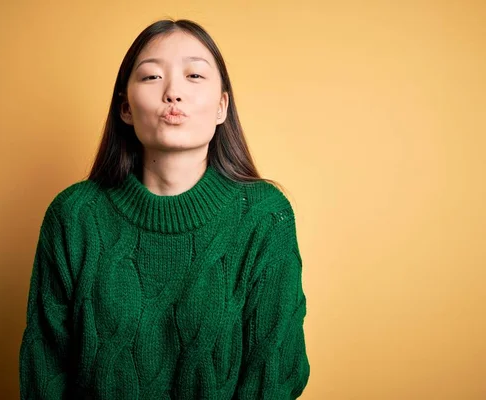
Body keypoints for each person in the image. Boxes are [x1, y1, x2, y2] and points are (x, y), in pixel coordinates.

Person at [19, 18, 310, 399]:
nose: (173, 92)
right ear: (125, 108)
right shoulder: (73, 217)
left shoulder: (265, 218)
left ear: (222, 106)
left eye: (194, 76)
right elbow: (44, 371)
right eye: (152, 77)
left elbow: (273, 375)